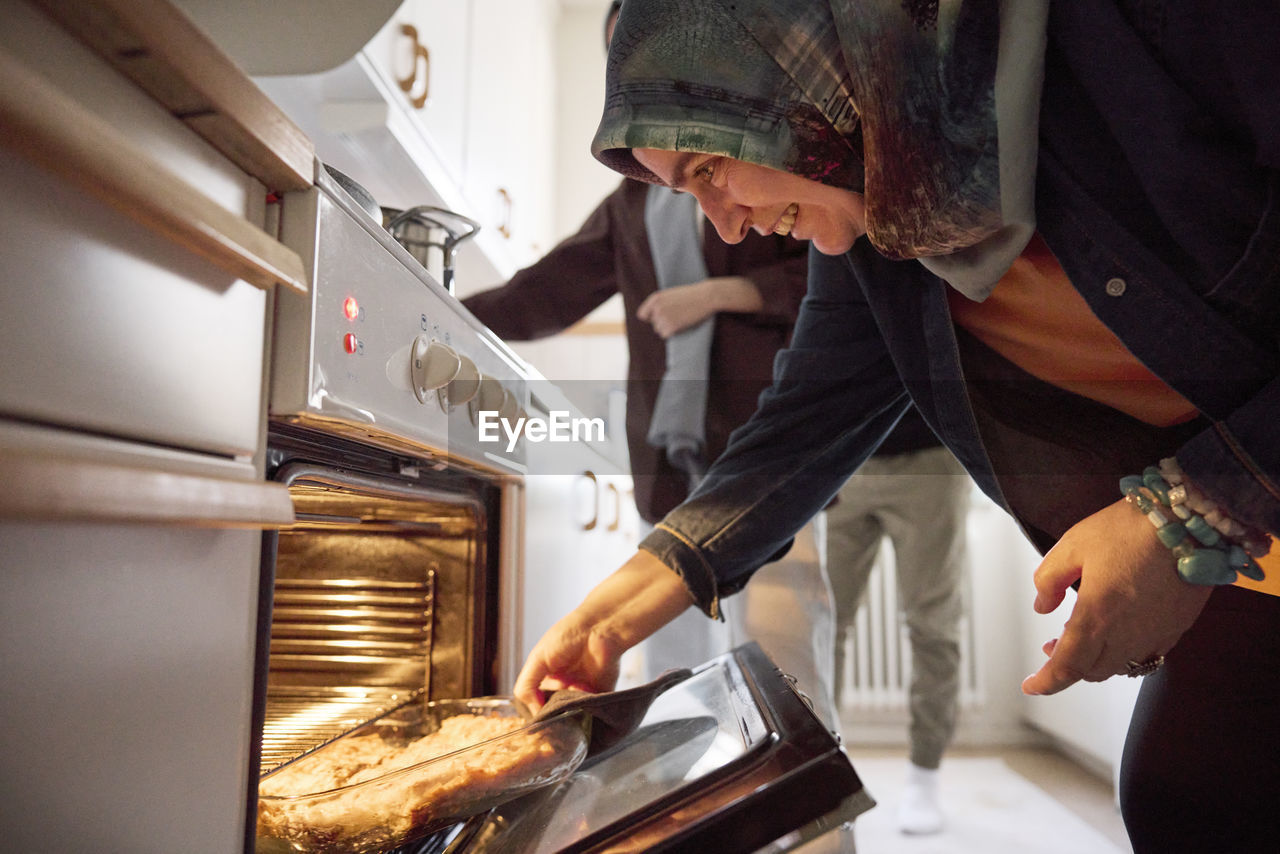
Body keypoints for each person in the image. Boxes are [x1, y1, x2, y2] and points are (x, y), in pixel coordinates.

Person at [514, 1, 1280, 852]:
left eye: (708, 168)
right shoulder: (884, 230)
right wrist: (604, 624)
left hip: (1241, 513)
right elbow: (795, 437)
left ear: (787, 76)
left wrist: (1195, 508)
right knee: (1188, 800)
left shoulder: (1151, 31)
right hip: (1259, 554)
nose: (724, 223)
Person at [465, 0, 844, 733]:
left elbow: (832, 284)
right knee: (676, 692)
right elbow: (544, 292)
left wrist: (723, 293)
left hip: (766, 459)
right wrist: (439, 313)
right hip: (669, 468)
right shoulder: (630, 203)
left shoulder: (774, 164)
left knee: (785, 686)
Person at [827, 430, 970, 835]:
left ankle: (924, 776)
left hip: (930, 452)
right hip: (841, 452)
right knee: (823, 626)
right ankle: (822, 775)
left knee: (933, 625)